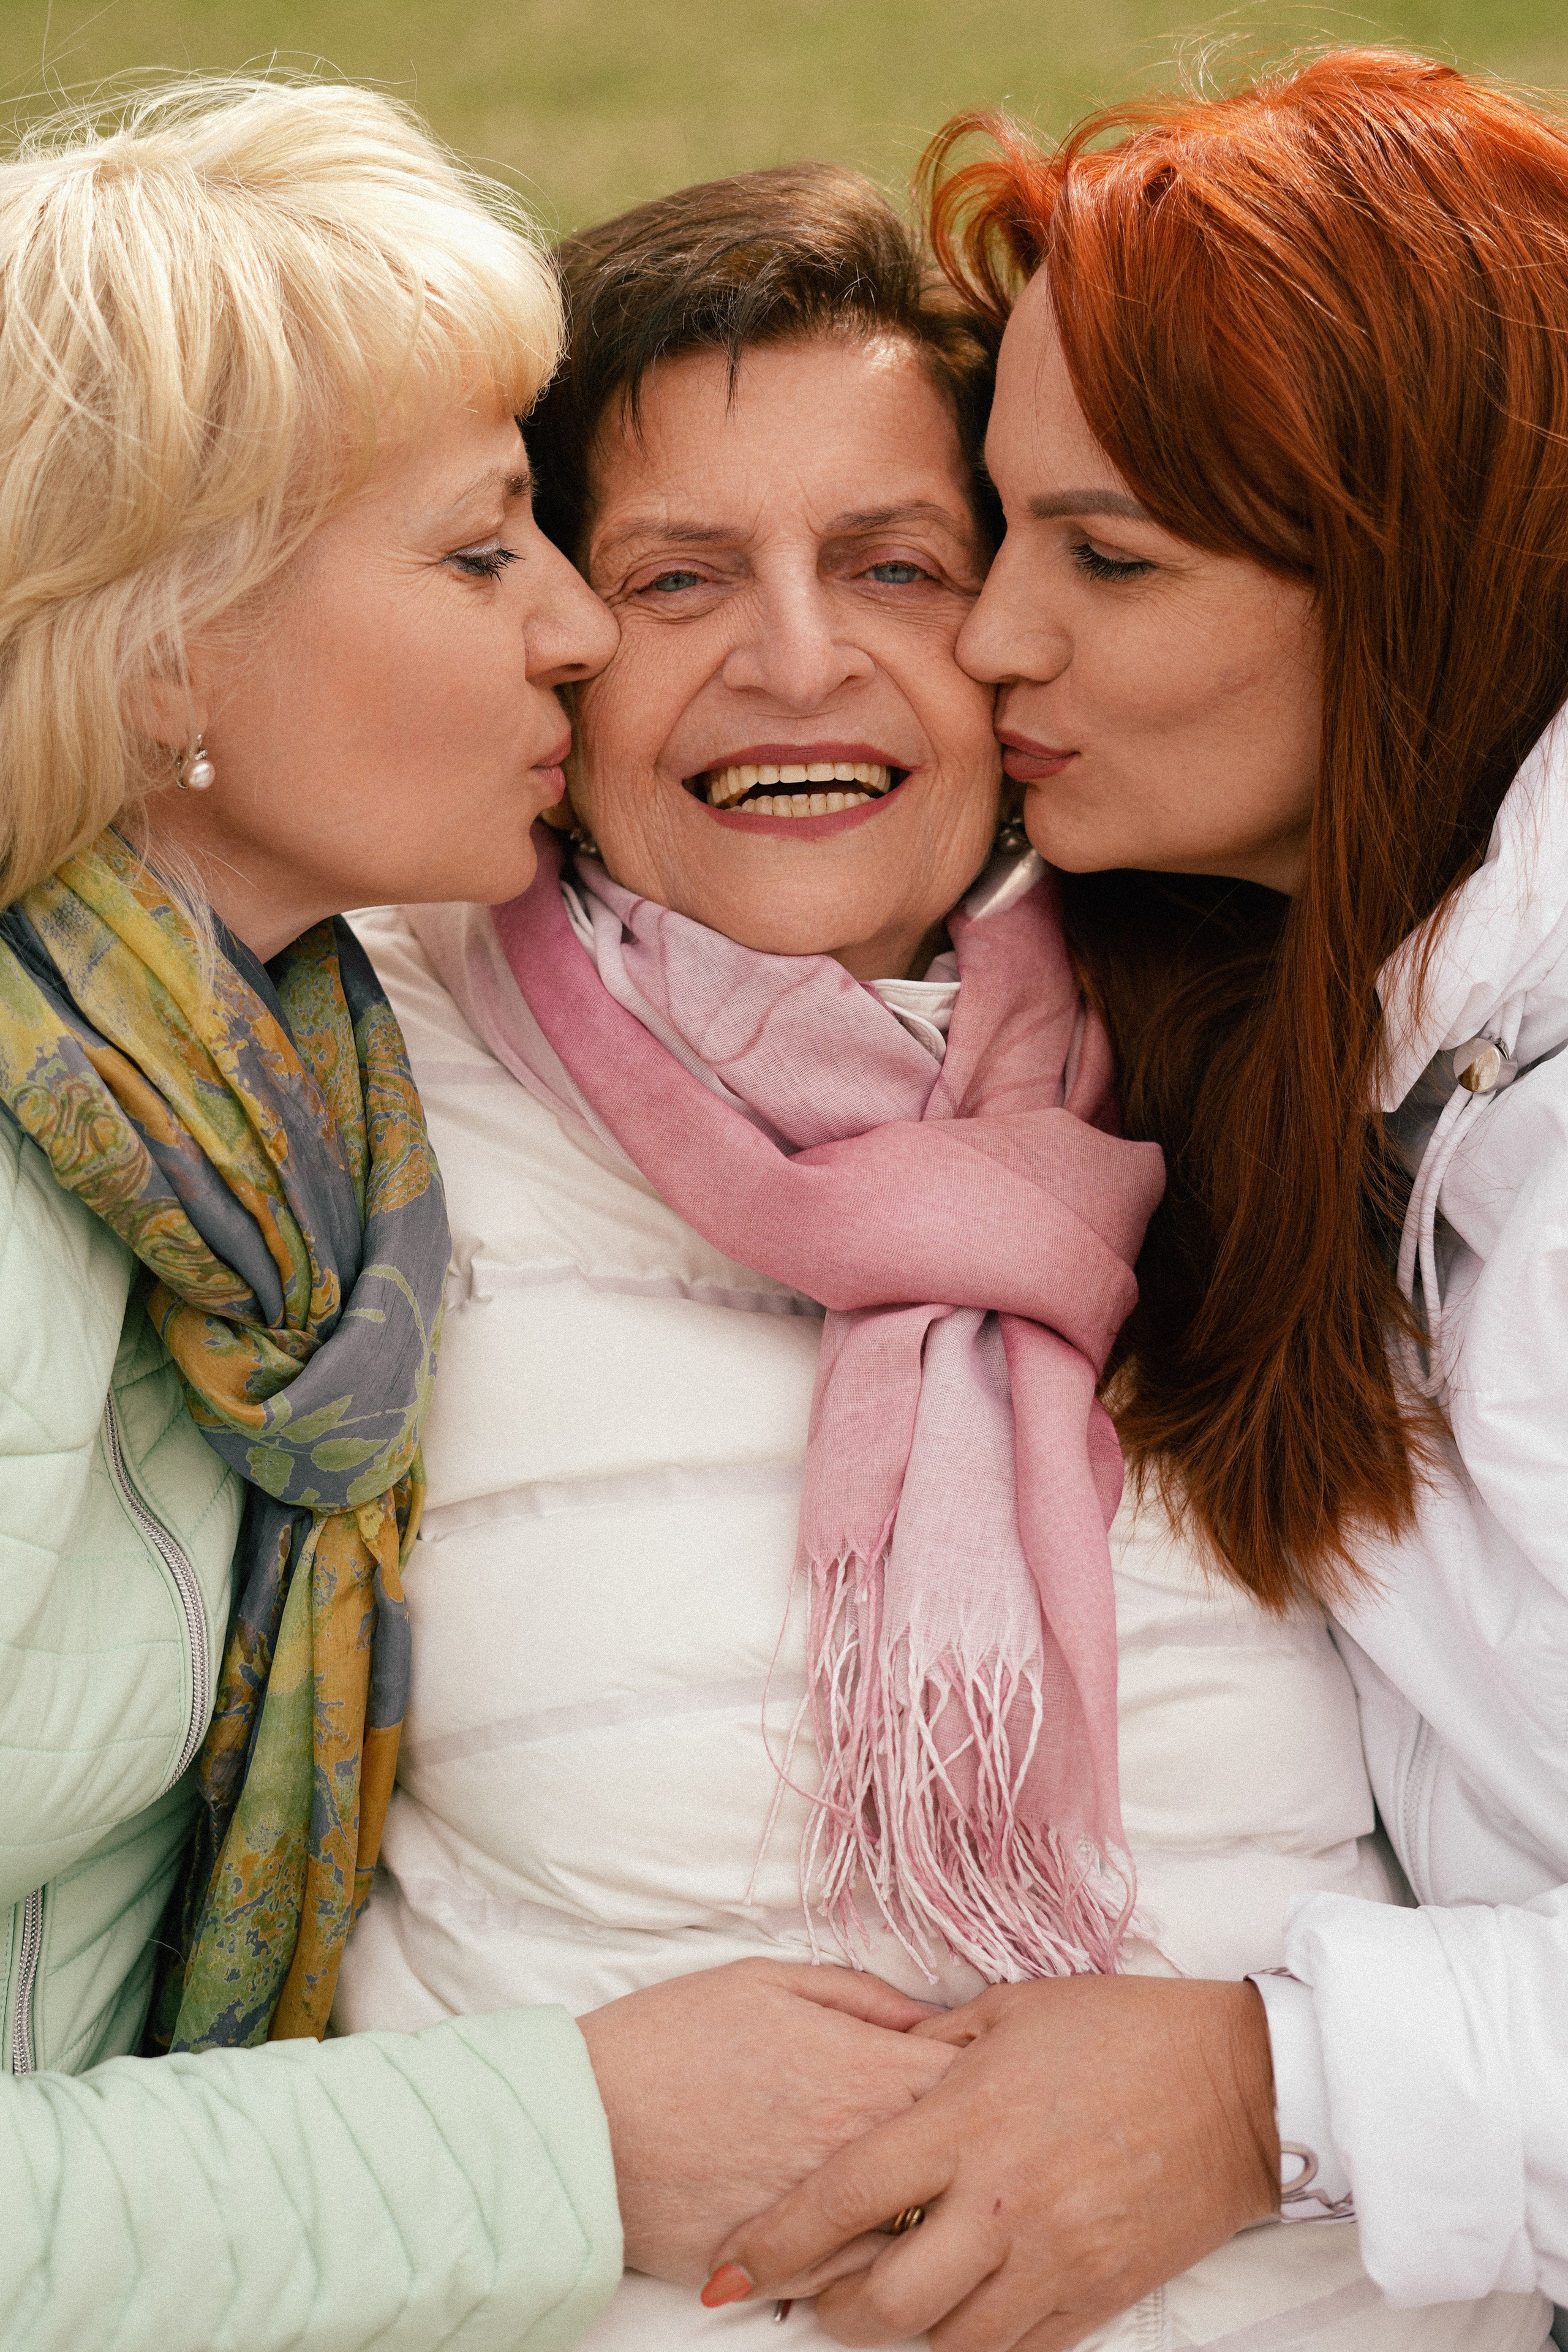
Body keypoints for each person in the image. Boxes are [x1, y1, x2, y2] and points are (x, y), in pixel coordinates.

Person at [336, 164, 1544, 2349]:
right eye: (678, 575)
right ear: (553, 642)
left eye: (900, 563)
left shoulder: (1274, 1077)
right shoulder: (352, 1096)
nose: (799, 663)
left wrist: (1278, 2081)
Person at [0, 80, 971, 2352]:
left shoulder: (269, 1109)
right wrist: (565, 2139)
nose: (571, 629)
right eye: (479, 556)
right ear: (164, 662)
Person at [714, 45, 1568, 2352]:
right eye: (999, 531)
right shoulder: (1298, 1018)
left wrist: (1275, 2084)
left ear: (1418, 574)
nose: (992, 641)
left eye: (1111, 557)